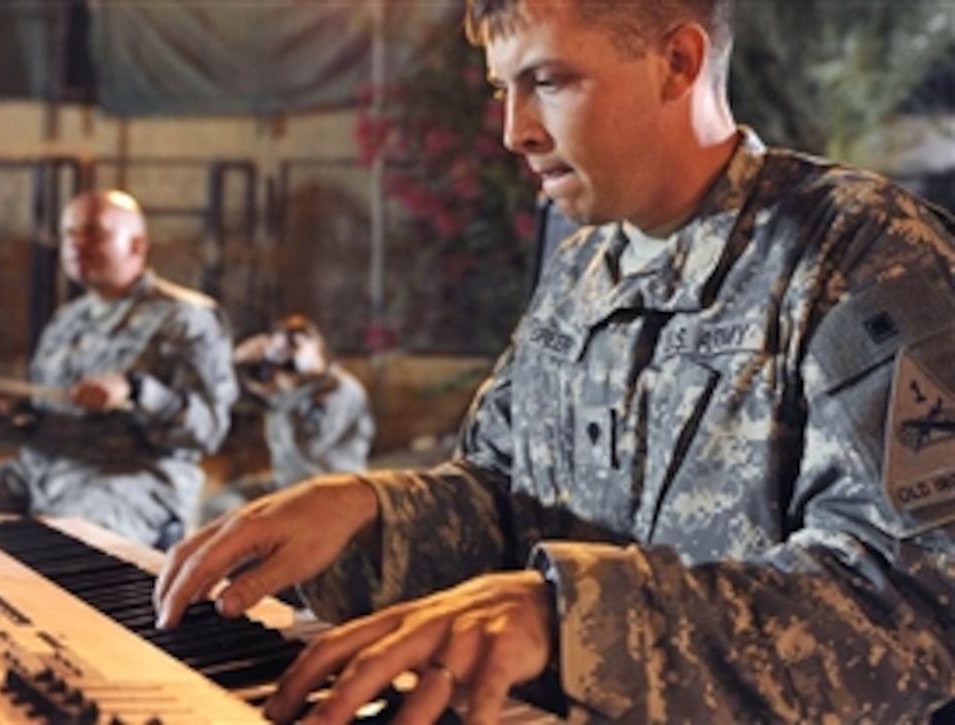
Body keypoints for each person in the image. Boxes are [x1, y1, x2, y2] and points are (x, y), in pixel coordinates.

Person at [154, 1, 955, 722]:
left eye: (548, 81)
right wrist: (366, 511)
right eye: (504, 89)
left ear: (678, 62)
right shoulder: (582, 266)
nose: (514, 130)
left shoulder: (861, 254)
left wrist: (569, 618)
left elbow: (918, 605)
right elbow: (506, 503)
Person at [0, 189, 238, 548]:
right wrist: (5, 412)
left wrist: (136, 391)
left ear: (136, 244)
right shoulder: (67, 320)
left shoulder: (185, 319)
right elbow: (42, 419)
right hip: (42, 470)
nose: (76, 244)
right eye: (69, 234)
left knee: (67, 540)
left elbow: (208, 431)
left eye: (93, 233)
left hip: (134, 479)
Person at [200, 313, 374, 522]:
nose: (289, 356)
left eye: (296, 346)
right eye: (283, 348)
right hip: (287, 485)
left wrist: (280, 397)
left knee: (267, 525)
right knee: (219, 508)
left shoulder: (340, 389)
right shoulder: (285, 386)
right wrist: (237, 363)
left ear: (316, 345)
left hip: (331, 492)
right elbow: (226, 401)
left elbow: (310, 444)